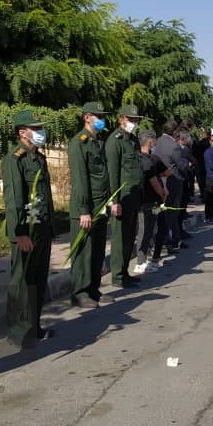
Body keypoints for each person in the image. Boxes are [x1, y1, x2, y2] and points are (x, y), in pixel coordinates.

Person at [3, 110, 56, 349]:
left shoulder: (39, 158)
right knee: (22, 282)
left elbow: (46, 197)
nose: (40, 133)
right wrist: (20, 233)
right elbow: (14, 199)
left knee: (38, 280)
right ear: (22, 132)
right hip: (26, 230)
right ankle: (18, 331)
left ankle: (34, 326)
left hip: (42, 227)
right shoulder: (14, 159)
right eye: (36, 129)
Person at [68, 101, 112, 309]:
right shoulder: (79, 142)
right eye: (98, 116)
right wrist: (84, 210)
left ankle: (94, 288)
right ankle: (80, 292)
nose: (102, 120)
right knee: (84, 251)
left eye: (103, 116)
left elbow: (104, 175)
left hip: (101, 204)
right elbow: (80, 180)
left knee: (97, 249)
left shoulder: (98, 142)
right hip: (87, 206)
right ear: (87, 117)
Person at [106, 104, 144, 288]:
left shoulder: (133, 140)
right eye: (131, 119)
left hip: (134, 195)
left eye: (136, 120)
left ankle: (124, 272)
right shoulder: (115, 140)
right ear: (121, 119)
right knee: (120, 238)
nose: (134, 123)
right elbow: (113, 173)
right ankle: (117, 276)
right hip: (122, 197)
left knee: (129, 237)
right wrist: (115, 200)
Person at [134, 130, 169, 273]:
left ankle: (147, 258)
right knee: (145, 230)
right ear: (150, 142)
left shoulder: (139, 158)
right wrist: (162, 193)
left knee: (149, 229)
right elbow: (154, 180)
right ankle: (141, 261)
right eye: (154, 141)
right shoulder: (148, 160)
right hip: (150, 200)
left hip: (146, 200)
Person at [155, 120, 188, 251]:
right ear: (174, 132)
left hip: (159, 180)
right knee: (173, 211)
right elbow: (180, 164)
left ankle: (168, 239)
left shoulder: (157, 141)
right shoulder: (174, 146)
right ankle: (172, 240)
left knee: (164, 211)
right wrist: (187, 164)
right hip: (173, 180)